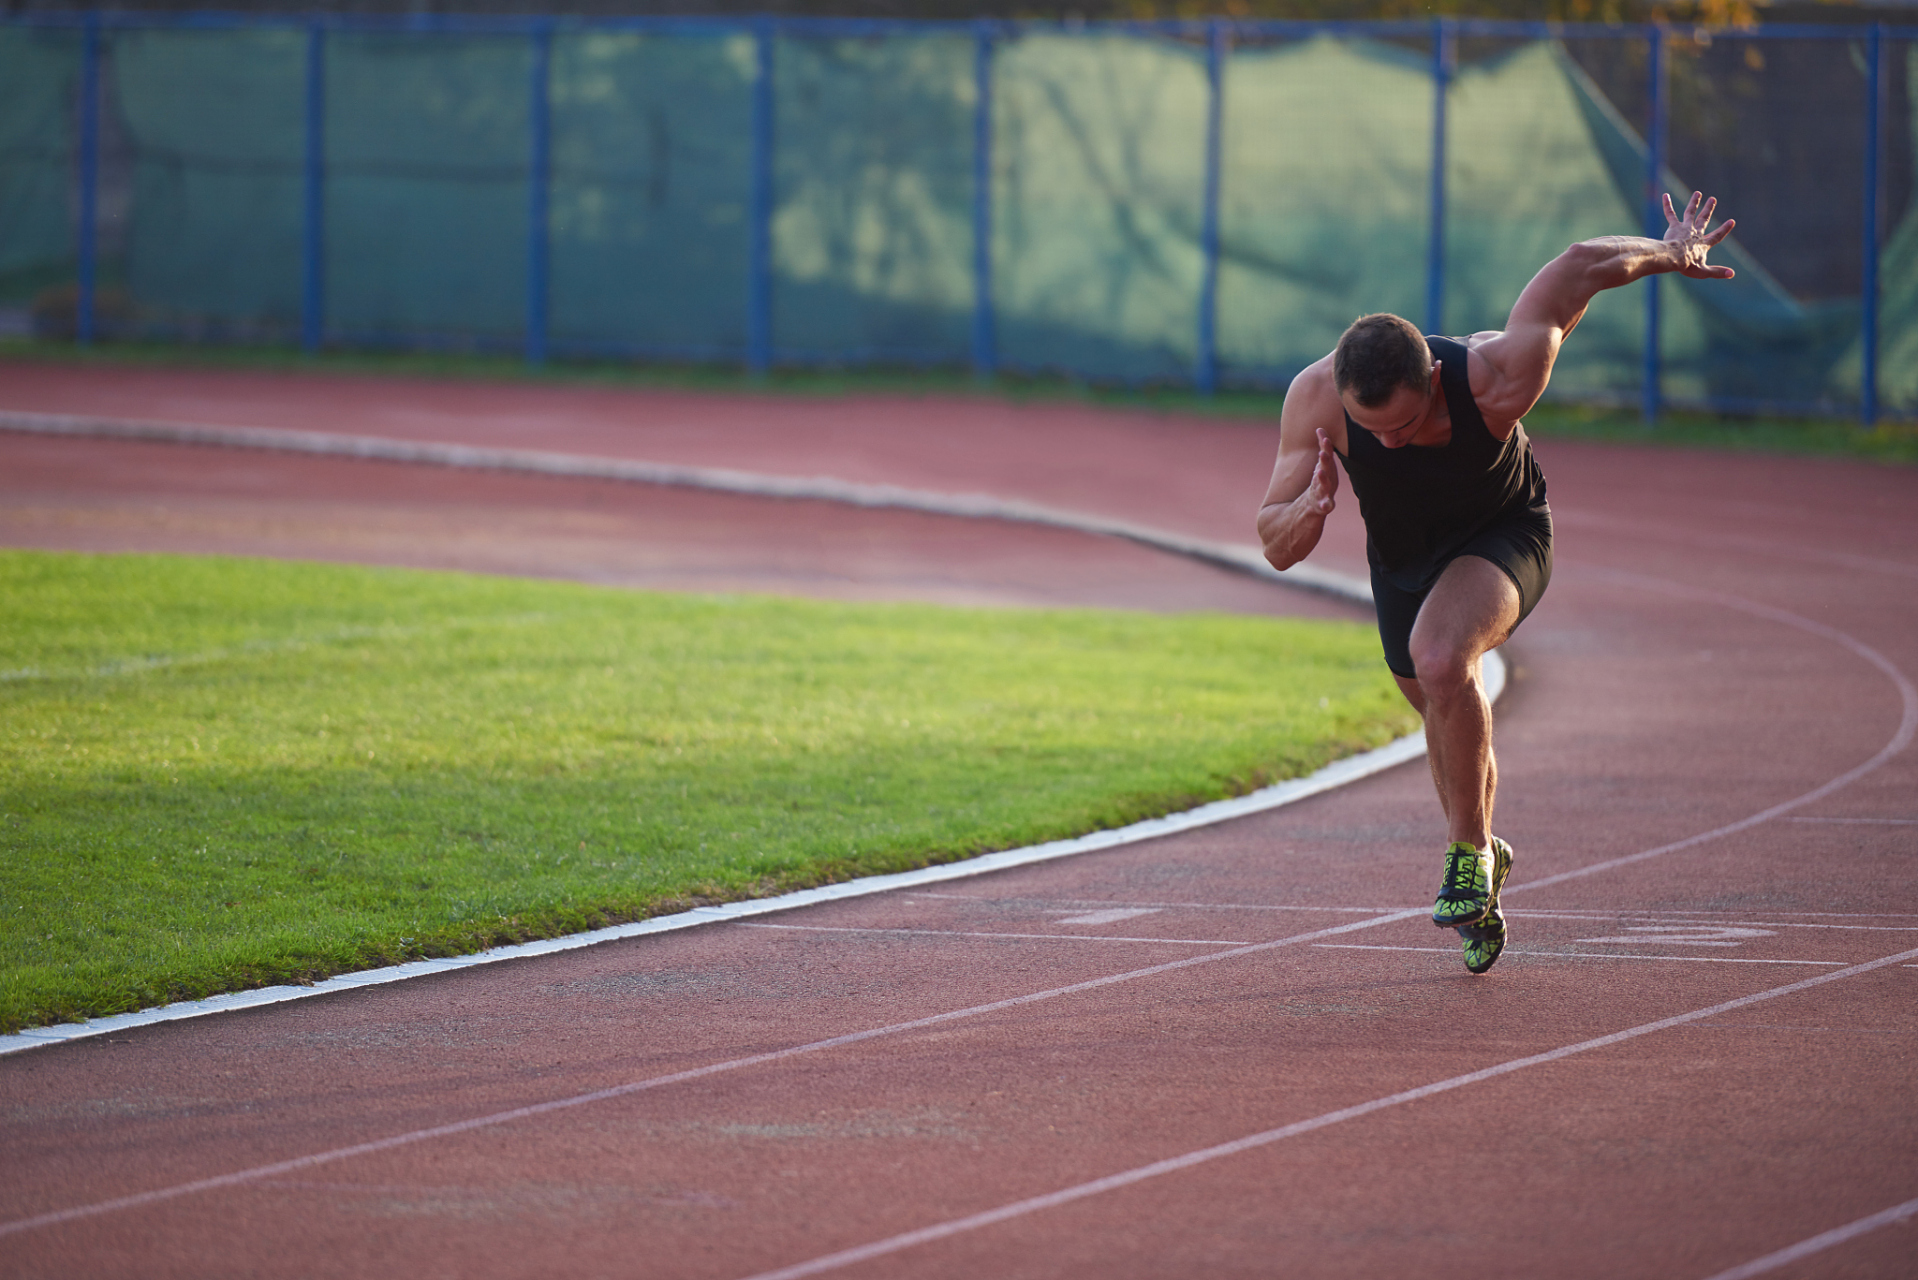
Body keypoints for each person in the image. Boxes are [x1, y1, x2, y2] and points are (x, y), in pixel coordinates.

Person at [1256, 191, 1737, 975]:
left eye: (1403, 427)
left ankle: (1469, 854)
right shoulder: (1315, 400)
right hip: (1403, 561)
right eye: (1369, 430)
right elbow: (1274, 542)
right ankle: (1484, 863)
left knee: (1443, 659)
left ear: (1433, 386)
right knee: (1440, 712)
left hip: (1504, 533)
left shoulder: (1494, 376)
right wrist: (1308, 513)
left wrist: (1667, 251)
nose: (1386, 442)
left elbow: (1577, 269)